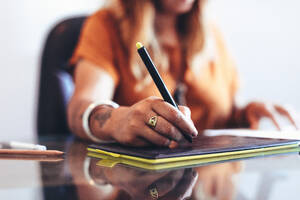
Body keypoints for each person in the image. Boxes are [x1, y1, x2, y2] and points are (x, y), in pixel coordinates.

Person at [68, 0, 297, 148]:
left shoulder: (210, 33)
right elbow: (81, 108)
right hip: (140, 185)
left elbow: (222, 115)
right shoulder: (106, 25)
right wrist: (118, 120)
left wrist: (246, 113)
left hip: (210, 184)